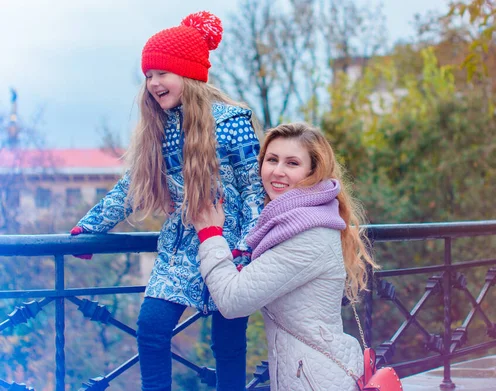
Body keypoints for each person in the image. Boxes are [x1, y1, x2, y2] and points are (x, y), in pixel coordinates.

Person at [69, 11, 265, 391]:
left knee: (227, 342)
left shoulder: (232, 122)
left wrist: (247, 247)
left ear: (188, 74)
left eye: (162, 72)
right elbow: (133, 186)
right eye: (148, 75)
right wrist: (91, 226)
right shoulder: (157, 129)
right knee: (151, 328)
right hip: (181, 247)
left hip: (231, 248)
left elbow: (254, 190)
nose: (154, 83)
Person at [193, 122, 379, 391]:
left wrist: (210, 234)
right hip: (312, 373)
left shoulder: (306, 235)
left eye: (292, 163)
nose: (277, 171)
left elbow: (233, 301)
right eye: (272, 160)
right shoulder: (299, 219)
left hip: (313, 381)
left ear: (312, 172)